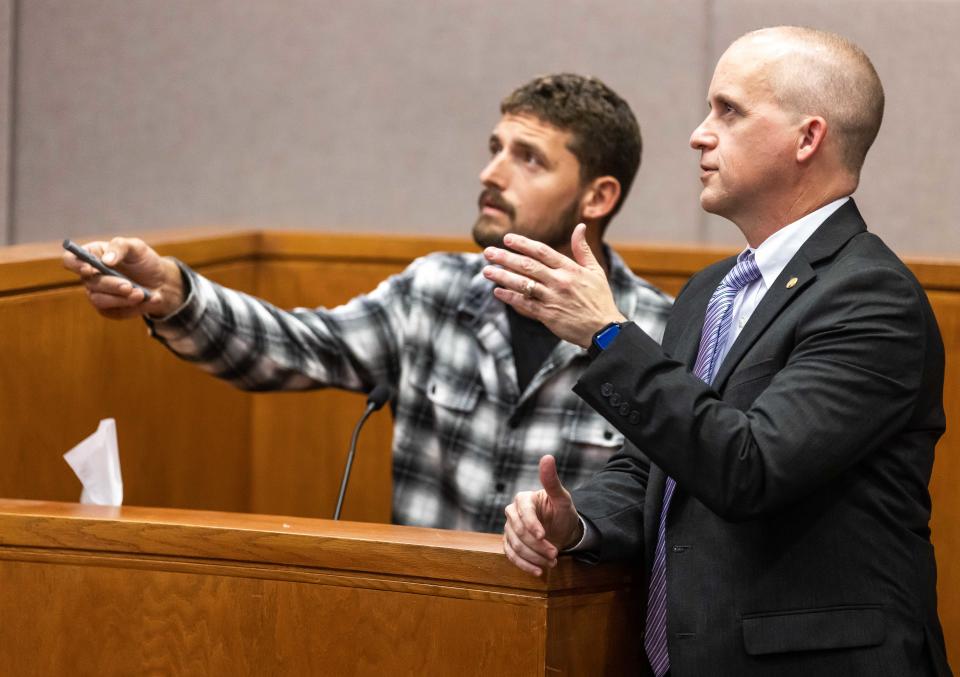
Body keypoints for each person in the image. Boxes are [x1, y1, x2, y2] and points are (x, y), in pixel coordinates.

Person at [486, 28, 951, 676]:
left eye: (728, 111)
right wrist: (576, 521)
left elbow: (750, 465)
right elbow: (653, 467)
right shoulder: (712, 291)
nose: (700, 135)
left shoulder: (873, 299)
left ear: (807, 138)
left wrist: (608, 335)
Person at [63, 73, 673, 534]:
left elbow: (663, 517)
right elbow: (295, 348)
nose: (491, 173)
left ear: (597, 196)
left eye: (528, 158)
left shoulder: (655, 333)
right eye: (495, 147)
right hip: (420, 627)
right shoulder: (434, 293)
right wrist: (174, 293)